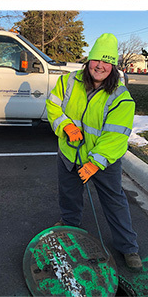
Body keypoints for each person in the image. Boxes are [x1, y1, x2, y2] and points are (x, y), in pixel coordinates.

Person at [46, 33, 142, 271]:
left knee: (114, 202)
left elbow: (115, 137)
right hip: (70, 153)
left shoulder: (121, 98)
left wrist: (95, 163)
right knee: (69, 195)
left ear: (113, 66)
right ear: (88, 61)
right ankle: (70, 226)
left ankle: (128, 247)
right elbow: (53, 105)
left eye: (106, 61)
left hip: (102, 163)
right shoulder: (68, 81)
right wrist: (66, 126)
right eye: (96, 59)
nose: (100, 65)